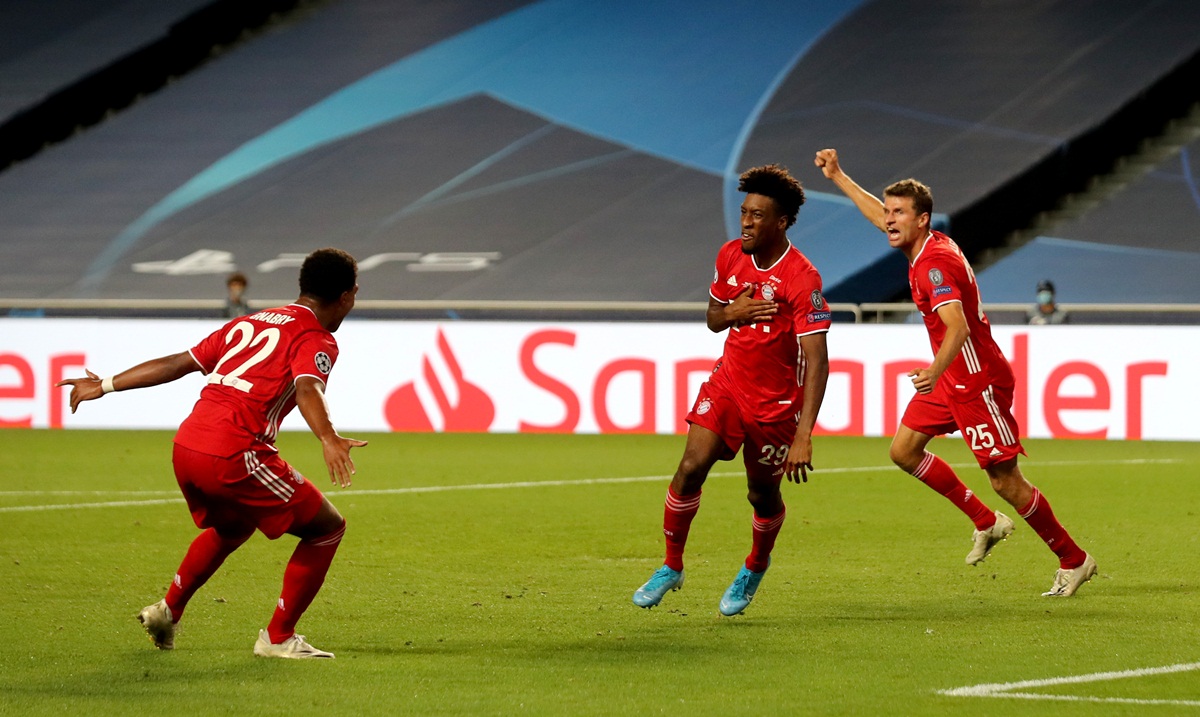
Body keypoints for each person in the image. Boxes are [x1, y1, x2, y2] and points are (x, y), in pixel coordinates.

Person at [57, 248, 367, 657]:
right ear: (347, 295)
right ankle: (278, 638)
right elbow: (308, 387)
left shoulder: (249, 321)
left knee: (234, 525)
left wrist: (105, 385)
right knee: (326, 528)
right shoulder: (315, 338)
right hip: (234, 451)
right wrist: (328, 437)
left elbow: (178, 362)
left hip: (188, 444)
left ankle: (167, 611)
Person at [814, 149, 1096, 597]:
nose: (889, 220)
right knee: (904, 450)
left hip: (976, 380)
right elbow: (879, 218)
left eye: (898, 213)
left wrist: (933, 369)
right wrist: (839, 176)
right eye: (888, 212)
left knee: (1005, 480)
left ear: (922, 219)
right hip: (953, 377)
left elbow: (958, 327)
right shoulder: (925, 245)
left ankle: (1073, 559)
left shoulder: (934, 265)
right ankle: (986, 522)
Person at [632, 164, 830, 616]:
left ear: (781, 222)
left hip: (775, 405)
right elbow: (713, 318)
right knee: (689, 468)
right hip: (728, 384)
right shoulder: (730, 255)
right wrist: (733, 313)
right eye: (744, 212)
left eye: (758, 216)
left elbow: (817, 360)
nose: (746, 222)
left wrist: (803, 434)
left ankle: (756, 564)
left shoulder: (803, 278)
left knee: (761, 496)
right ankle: (671, 565)